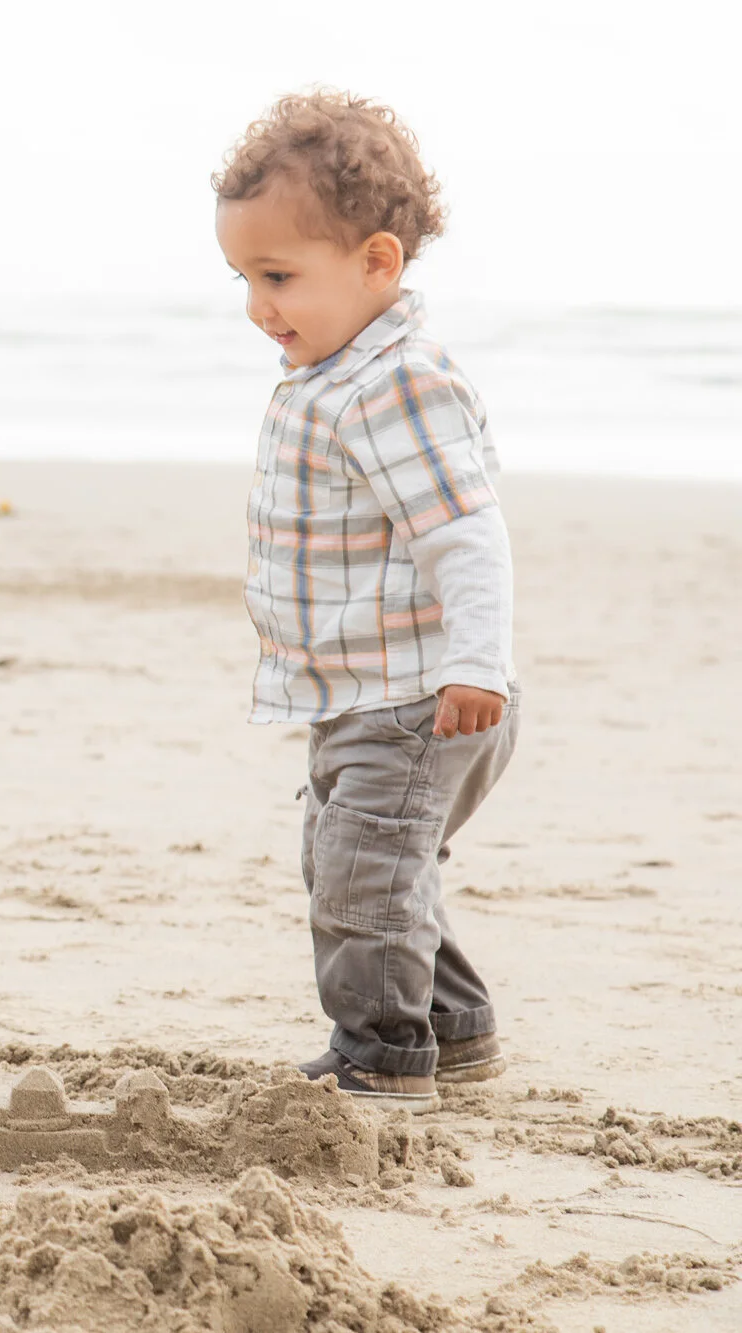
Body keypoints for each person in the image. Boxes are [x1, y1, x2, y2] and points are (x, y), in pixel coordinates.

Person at [212, 91, 519, 1112]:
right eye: (244, 279)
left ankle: (381, 1059)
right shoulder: (331, 370)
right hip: (360, 693)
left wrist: (476, 660)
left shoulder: (396, 382)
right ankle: (450, 1027)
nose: (259, 305)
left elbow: (463, 532)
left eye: (278, 277)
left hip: (421, 695)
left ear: (375, 264)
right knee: (360, 865)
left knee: (362, 876)